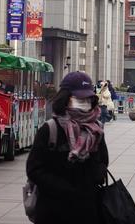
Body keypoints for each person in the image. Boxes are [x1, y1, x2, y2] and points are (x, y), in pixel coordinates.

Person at [26, 72, 108, 224]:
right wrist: (64, 188)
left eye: (87, 99)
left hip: (87, 211)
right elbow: (34, 169)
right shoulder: (51, 129)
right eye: (79, 99)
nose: (84, 102)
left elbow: (103, 162)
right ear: (65, 98)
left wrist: (90, 180)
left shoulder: (96, 130)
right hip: (53, 210)